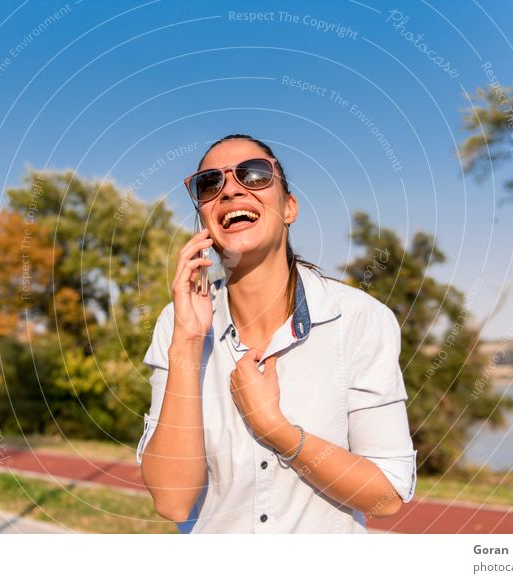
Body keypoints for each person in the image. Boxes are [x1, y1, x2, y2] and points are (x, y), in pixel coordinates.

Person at [136, 134, 417, 533]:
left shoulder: (359, 320)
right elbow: (172, 500)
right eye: (209, 183)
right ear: (203, 220)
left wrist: (277, 430)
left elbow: (387, 496)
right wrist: (188, 342)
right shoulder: (176, 322)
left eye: (254, 175)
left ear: (289, 208)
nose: (230, 189)